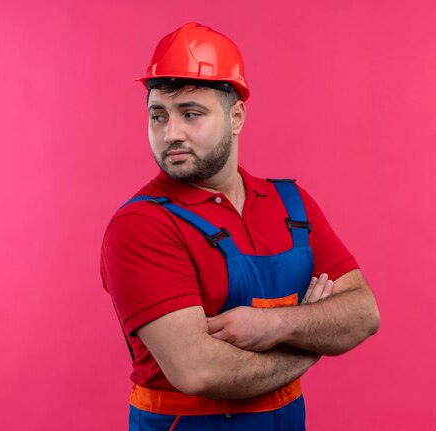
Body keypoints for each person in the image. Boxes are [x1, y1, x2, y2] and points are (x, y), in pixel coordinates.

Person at [101, 22, 380, 431]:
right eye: (157, 115)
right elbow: (199, 371)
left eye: (190, 114)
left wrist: (273, 325)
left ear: (236, 117)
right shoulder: (141, 225)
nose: (170, 133)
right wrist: (313, 342)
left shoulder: (291, 204)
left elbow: (364, 314)